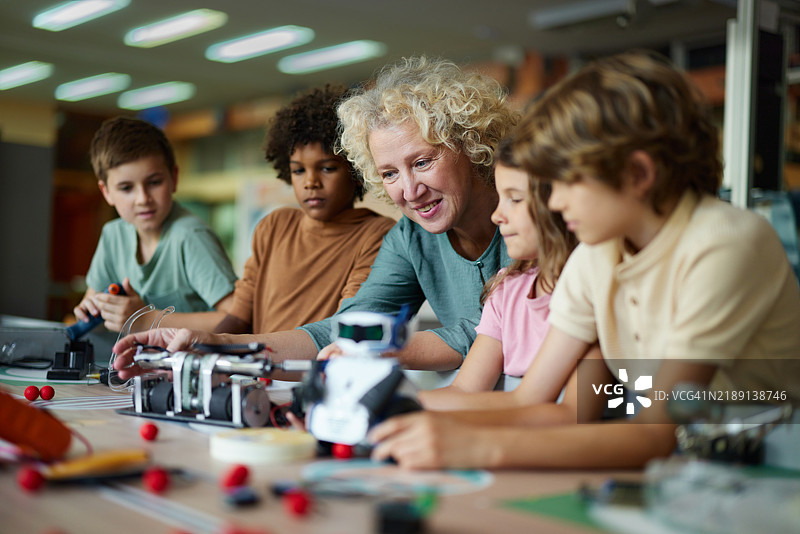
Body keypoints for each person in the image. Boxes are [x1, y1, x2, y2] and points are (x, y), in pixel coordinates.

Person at [367, 50, 800, 469]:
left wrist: (473, 446)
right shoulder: (598, 254)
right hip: (685, 465)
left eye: (566, 179)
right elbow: (526, 401)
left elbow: (655, 433)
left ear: (637, 174)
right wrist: (386, 409)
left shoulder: (721, 242)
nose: (551, 200)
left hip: (770, 469)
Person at [110, 56, 518, 377]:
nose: (409, 191)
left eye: (423, 162)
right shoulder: (410, 237)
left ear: (470, 144)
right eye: (390, 173)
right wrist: (216, 344)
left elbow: (487, 331)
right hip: (487, 401)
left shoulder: (528, 217)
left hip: (568, 397)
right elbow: (344, 328)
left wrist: (376, 351)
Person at [209, 84, 396, 335]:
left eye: (327, 168)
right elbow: (240, 314)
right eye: (298, 170)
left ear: (358, 171)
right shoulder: (273, 226)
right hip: (259, 369)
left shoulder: (377, 234)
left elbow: (345, 325)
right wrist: (208, 345)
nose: (311, 182)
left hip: (321, 369)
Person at [418, 137, 579, 409]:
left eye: (514, 199)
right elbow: (465, 391)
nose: (497, 215)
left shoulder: (588, 289)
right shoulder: (506, 289)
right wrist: (397, 406)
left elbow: (568, 413)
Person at [74, 117, 238, 333]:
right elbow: (93, 301)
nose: (143, 198)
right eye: (126, 188)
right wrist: (90, 310)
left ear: (174, 178)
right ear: (106, 192)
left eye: (154, 183)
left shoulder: (190, 236)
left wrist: (147, 320)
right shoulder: (113, 235)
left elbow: (237, 319)